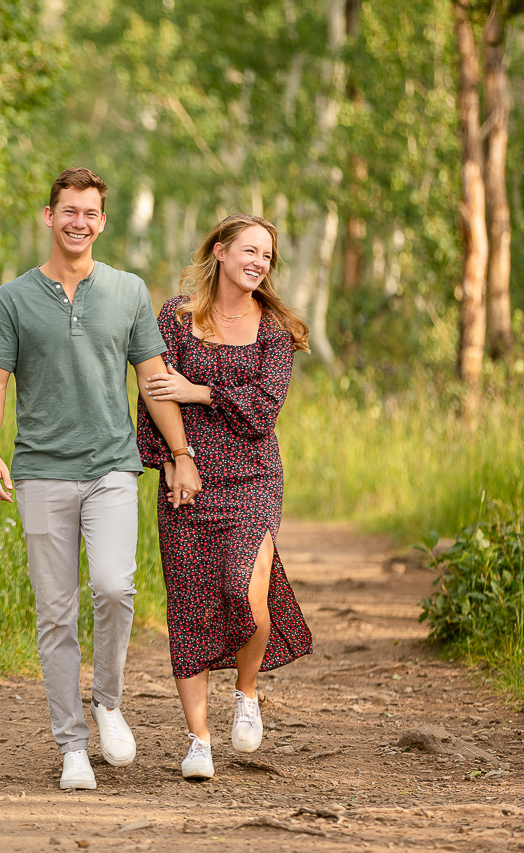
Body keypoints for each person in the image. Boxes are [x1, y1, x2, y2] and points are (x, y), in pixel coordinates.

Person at [0, 167, 202, 791]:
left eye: (90, 213)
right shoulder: (12, 299)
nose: (78, 221)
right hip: (41, 472)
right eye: (67, 210)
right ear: (49, 217)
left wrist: (180, 451)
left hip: (111, 469)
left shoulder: (127, 292)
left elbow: (154, 377)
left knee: (113, 587)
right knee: (55, 612)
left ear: (102, 222)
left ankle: (106, 701)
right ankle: (71, 745)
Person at [136, 213, 313, 781]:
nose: (259, 262)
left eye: (267, 256)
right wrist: (168, 460)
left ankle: (247, 692)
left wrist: (199, 390)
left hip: (252, 478)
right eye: (250, 250)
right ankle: (198, 741)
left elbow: (263, 412)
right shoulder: (175, 315)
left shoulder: (276, 331)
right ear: (219, 251)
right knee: (189, 607)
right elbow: (151, 394)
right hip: (188, 481)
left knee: (243, 592)